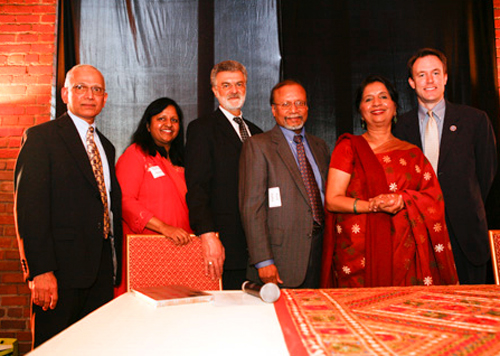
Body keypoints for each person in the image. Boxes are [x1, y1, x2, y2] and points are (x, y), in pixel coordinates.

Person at [14, 64, 122, 347]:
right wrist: (40, 270)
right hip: (58, 274)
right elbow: (30, 210)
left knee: (93, 348)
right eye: (80, 87)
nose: (89, 95)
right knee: (56, 349)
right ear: (65, 94)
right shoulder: (41, 138)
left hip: (99, 272)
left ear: (105, 98)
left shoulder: (106, 146)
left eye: (96, 89)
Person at [321, 75, 458, 288]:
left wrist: (403, 200)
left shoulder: (413, 154)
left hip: (405, 250)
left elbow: (433, 199)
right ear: (360, 110)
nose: (376, 103)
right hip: (358, 252)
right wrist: (371, 206)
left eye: (383, 97)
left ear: (395, 107)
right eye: (368, 99)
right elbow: (332, 200)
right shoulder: (349, 147)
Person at [393, 48, 497, 284]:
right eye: (421, 75)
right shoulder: (401, 127)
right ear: (411, 82)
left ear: (446, 77)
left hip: (466, 234)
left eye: (436, 73)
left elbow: (486, 174)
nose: (429, 80)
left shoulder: (475, 120)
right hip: (418, 232)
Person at [239, 80, 330, 288]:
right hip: (280, 259)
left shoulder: (320, 146)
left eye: (299, 103)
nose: (294, 110)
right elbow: (252, 208)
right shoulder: (258, 146)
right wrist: (263, 260)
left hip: (319, 254)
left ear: (307, 107)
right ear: (273, 110)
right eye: (286, 104)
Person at [185, 60, 262, 290]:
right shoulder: (202, 129)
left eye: (239, 84)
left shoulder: (257, 132)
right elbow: (197, 187)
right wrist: (208, 235)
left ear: (246, 87)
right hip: (225, 245)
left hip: (257, 249)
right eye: (226, 85)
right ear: (215, 91)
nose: (234, 90)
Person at [114, 97, 193, 296]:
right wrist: (164, 228)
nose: (168, 124)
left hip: (181, 250)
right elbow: (124, 201)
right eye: (161, 118)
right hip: (147, 251)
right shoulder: (136, 154)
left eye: (174, 120)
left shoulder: (184, 161)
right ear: (148, 125)